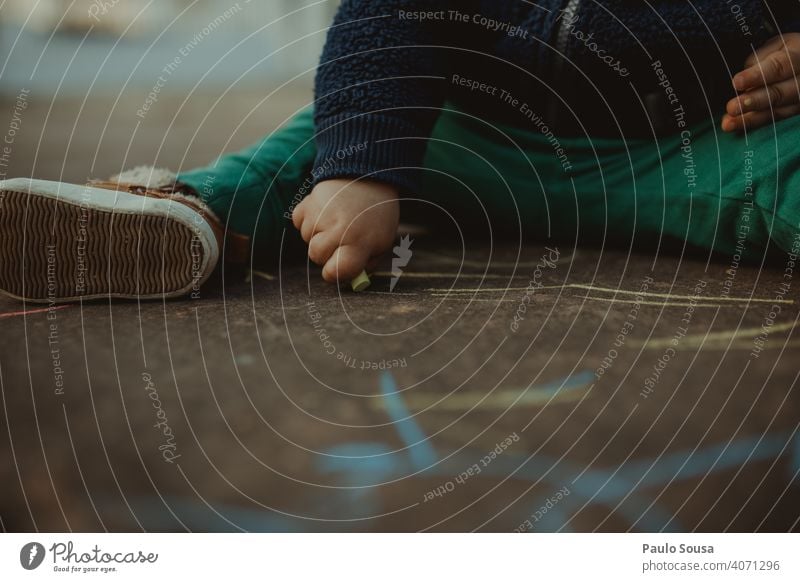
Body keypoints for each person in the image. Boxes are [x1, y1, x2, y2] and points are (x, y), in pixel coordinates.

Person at [2, 0, 800, 303]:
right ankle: (192, 211)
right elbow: (385, 16)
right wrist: (357, 166)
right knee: (316, 140)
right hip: (472, 141)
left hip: (706, 146)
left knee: (788, 160)